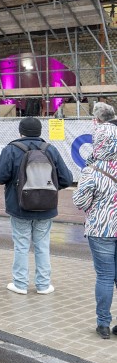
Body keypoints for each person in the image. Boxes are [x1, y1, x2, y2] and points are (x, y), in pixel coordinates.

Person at [0, 116, 73, 296]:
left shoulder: (11, 149)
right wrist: (47, 189)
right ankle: (43, 285)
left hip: (19, 205)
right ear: (40, 132)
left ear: (20, 132)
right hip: (46, 206)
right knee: (43, 245)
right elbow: (66, 179)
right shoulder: (50, 150)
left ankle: (20, 284)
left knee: (21, 245)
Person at [73, 103, 117, 339]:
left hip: (101, 229)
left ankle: (103, 324)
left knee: (104, 276)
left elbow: (80, 202)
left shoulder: (91, 171)